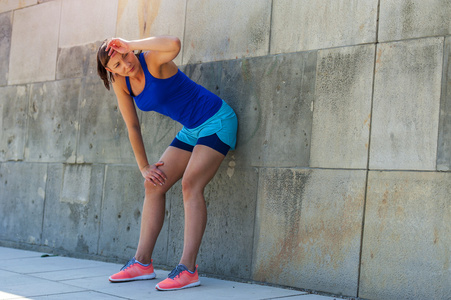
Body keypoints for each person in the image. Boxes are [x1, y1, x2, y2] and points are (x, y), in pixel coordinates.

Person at [96, 36, 237, 291]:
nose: (126, 65)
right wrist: (144, 167)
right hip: (192, 130)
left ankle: (188, 269)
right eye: (117, 64)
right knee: (153, 185)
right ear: (110, 70)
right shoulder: (122, 82)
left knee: (190, 184)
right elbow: (132, 126)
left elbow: (174, 44)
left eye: (126, 56)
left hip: (217, 120)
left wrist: (129, 42)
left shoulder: (151, 60)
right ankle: (141, 263)